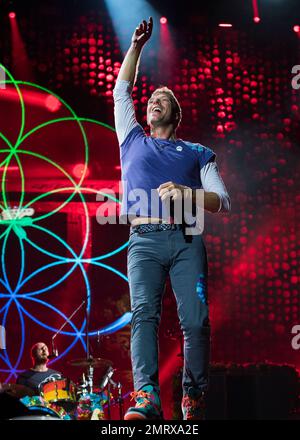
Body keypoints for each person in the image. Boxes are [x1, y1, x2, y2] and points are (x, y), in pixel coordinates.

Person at [113, 18, 230, 420]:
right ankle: (145, 397)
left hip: (186, 239)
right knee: (143, 314)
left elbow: (222, 200)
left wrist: (186, 194)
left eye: (162, 97)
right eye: (151, 99)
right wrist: (136, 48)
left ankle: (192, 398)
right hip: (142, 240)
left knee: (196, 321)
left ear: (175, 113)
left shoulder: (197, 152)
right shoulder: (131, 139)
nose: (153, 101)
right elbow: (120, 92)